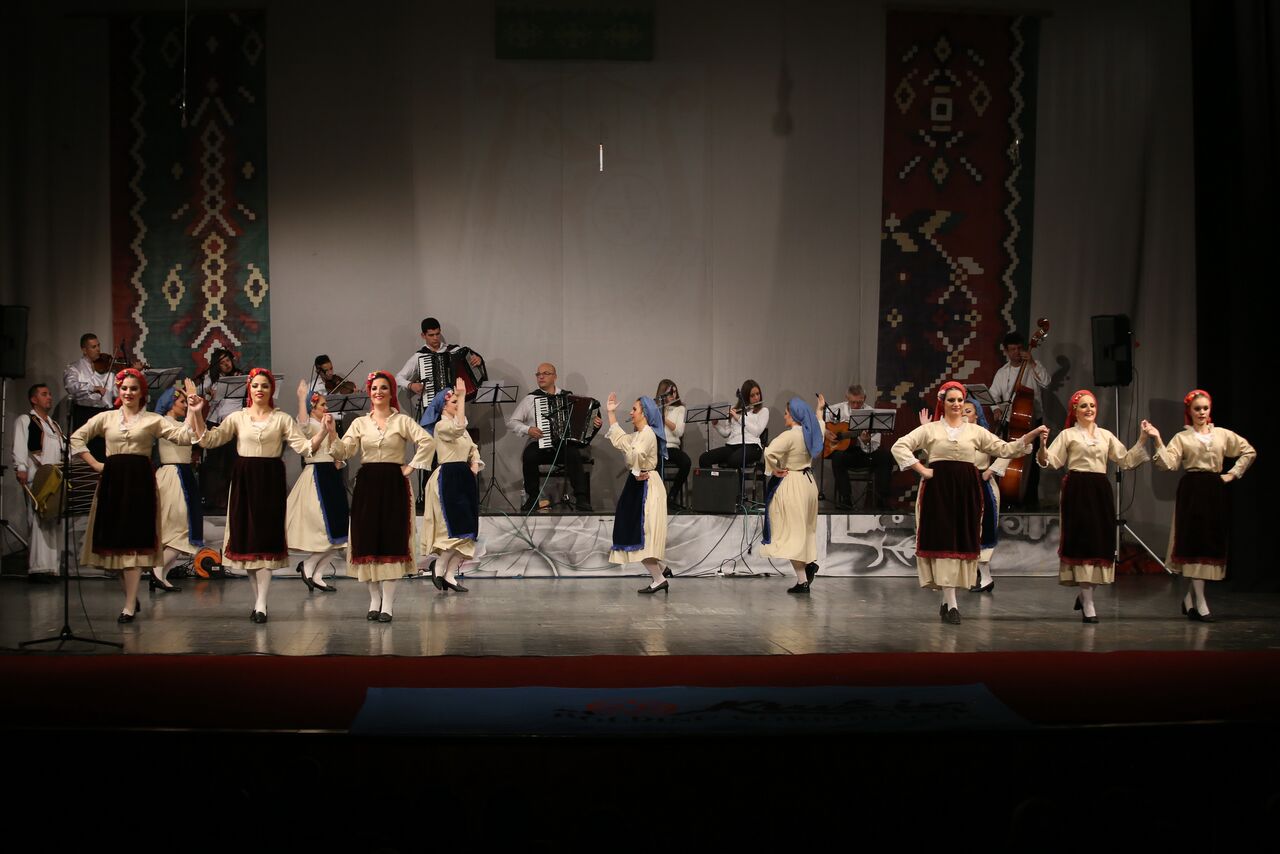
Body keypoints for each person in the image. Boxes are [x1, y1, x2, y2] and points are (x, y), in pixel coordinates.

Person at [892, 381, 1047, 624]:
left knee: (960, 541)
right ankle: (952, 603)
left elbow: (1006, 449)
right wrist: (922, 469)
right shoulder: (931, 429)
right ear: (943, 402)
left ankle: (948, 600)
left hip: (966, 492)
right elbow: (900, 446)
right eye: (951, 400)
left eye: (959, 400)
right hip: (938, 492)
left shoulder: (975, 432)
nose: (956, 404)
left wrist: (1031, 435)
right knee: (943, 541)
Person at [192, 368, 326, 624]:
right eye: (255, 385)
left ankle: (262, 603)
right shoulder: (238, 417)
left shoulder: (281, 419)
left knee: (265, 541)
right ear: (249, 388)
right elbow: (208, 440)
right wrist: (197, 412)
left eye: (265, 385)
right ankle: (258, 601)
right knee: (249, 544)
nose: (260, 390)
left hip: (270, 480)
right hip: (244, 481)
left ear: (271, 389)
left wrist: (323, 432)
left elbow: (305, 447)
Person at [68, 369, 197, 623]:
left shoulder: (151, 420)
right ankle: (131, 595)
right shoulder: (106, 418)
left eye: (134, 388)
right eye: (124, 388)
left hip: (139, 483)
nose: (128, 393)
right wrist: (96, 464)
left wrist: (192, 409)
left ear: (142, 392)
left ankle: (128, 605)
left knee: (134, 544)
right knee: (114, 547)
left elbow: (184, 436)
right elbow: (76, 438)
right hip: (113, 482)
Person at [324, 371, 435, 622]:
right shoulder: (360, 423)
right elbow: (344, 451)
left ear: (391, 391)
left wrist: (411, 466)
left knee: (392, 540)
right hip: (368, 484)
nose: (378, 392)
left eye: (383, 387)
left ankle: (388, 605)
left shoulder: (402, 421)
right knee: (367, 541)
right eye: (374, 388)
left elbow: (427, 442)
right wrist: (331, 432)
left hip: (394, 484)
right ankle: (374, 600)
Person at [1036, 389, 1151, 623]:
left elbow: (1126, 460)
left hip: (1099, 490)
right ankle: (1088, 603)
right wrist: (1042, 447)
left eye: (1092, 405)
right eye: (1084, 406)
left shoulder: (1105, 435)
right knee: (1082, 542)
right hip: (1077, 489)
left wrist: (1142, 439)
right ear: (1075, 411)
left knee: (1099, 542)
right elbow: (1051, 462)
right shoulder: (1068, 435)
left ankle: (1085, 595)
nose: (1089, 409)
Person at [1145, 390, 1256, 622]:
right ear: (1190, 411)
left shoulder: (1222, 434)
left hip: (1214, 491)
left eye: (1205, 408)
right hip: (1192, 492)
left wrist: (1232, 474)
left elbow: (1248, 451)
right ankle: (1201, 603)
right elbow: (1168, 464)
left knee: (1207, 543)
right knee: (1193, 544)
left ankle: (1188, 600)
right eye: (1197, 409)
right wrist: (1157, 439)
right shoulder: (1183, 437)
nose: (1202, 412)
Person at [419, 377, 483, 593]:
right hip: (448, 477)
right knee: (452, 528)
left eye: (458, 401)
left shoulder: (461, 426)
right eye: (454, 402)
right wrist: (462, 396)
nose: (458, 405)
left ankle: (449, 574)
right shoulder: (442, 425)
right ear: (444, 406)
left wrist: (474, 462)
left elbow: (472, 447)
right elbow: (457, 429)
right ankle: (438, 566)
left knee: (468, 531)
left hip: (464, 477)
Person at [506, 362, 598, 512]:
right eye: (538, 374)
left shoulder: (567, 397)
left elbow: (582, 423)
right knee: (529, 455)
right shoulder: (531, 399)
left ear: (555, 376)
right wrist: (528, 429)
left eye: (545, 373)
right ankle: (533, 498)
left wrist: (594, 423)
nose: (541, 376)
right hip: (539, 444)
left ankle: (581, 498)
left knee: (573, 454)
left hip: (563, 445)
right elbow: (512, 422)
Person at [605, 393, 671, 593]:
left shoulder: (648, 433)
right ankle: (661, 570)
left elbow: (637, 454)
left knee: (642, 532)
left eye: (634, 409)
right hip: (638, 483)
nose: (631, 413)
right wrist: (611, 413)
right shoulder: (639, 434)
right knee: (634, 529)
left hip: (646, 485)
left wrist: (635, 472)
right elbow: (622, 440)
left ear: (645, 413)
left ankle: (659, 578)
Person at [286, 381, 348, 594]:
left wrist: (337, 453)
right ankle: (309, 565)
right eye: (322, 404)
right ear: (313, 407)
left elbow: (337, 449)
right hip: (317, 475)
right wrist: (301, 397)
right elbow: (302, 424)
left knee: (340, 534)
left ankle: (318, 574)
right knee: (324, 529)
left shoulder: (327, 423)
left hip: (331, 475)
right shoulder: (309, 423)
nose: (326, 408)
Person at [760, 397, 825, 594]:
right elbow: (820, 425)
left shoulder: (790, 436)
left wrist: (774, 469)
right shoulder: (812, 432)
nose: (785, 416)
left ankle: (804, 577)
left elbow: (769, 452)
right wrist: (819, 410)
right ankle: (808, 567)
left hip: (793, 483)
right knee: (805, 529)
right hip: (809, 484)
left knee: (791, 532)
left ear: (795, 415)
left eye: (787, 413)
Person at [989, 331, 1050, 508]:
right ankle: (1009, 499)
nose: (1016, 352)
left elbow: (1046, 382)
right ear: (1006, 351)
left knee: (1033, 465)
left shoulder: (1033, 365)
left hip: (1032, 422)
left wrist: (1032, 362)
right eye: (1012, 350)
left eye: (1019, 348)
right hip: (1011, 421)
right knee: (1008, 460)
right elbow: (993, 394)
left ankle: (1030, 502)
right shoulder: (1002, 372)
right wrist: (996, 409)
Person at [151, 385, 203, 592]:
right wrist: (192, 407)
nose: (185, 406)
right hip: (173, 476)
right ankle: (157, 571)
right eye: (182, 402)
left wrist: (194, 406)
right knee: (181, 530)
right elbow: (183, 434)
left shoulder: (181, 423)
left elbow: (198, 435)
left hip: (183, 475)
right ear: (170, 403)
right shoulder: (163, 422)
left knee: (180, 529)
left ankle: (160, 575)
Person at [12, 383, 65, 581]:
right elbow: (19, 444)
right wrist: (21, 467)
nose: (49, 397)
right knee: (37, 519)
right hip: (37, 476)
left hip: (54, 477)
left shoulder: (53, 424)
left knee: (53, 519)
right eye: (44, 394)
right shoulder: (26, 420)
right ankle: (38, 568)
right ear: (34, 399)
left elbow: (62, 447)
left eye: (49, 394)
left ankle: (52, 567)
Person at [825, 383, 894, 510]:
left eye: (859, 402)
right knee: (837, 457)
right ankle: (846, 500)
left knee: (886, 456)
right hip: (845, 455)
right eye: (853, 402)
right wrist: (825, 432)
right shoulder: (837, 409)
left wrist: (866, 442)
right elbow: (816, 421)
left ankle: (882, 500)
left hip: (865, 455)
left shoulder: (872, 415)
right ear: (847, 398)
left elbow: (874, 446)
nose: (856, 405)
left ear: (864, 398)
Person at [395, 316, 485, 413]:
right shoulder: (419, 356)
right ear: (423, 335)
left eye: (437, 334)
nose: (435, 338)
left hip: (455, 406)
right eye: (431, 335)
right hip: (433, 407)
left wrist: (478, 360)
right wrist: (411, 385)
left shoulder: (454, 350)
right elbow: (398, 378)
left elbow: (473, 366)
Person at [194, 348, 242, 512]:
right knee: (215, 463)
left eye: (228, 360)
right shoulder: (212, 379)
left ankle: (232, 499)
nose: (226, 364)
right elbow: (198, 391)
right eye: (222, 363)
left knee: (233, 462)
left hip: (234, 425)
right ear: (217, 365)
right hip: (215, 422)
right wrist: (208, 392)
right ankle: (214, 500)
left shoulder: (240, 377)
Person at [699, 379, 768, 469]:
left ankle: (733, 479)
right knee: (704, 458)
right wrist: (716, 425)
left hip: (752, 446)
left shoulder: (763, 411)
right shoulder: (734, 409)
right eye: (752, 395)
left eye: (758, 394)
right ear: (745, 397)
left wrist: (738, 418)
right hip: (732, 446)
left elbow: (756, 432)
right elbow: (726, 433)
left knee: (734, 460)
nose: (756, 398)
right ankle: (713, 479)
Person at [655, 379, 689, 512]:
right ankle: (658, 499)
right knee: (654, 464)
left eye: (675, 392)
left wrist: (664, 419)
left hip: (672, 447)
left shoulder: (680, 409)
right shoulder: (655, 409)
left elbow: (679, 432)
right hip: (657, 447)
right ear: (662, 393)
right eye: (670, 393)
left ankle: (671, 496)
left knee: (686, 462)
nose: (673, 395)